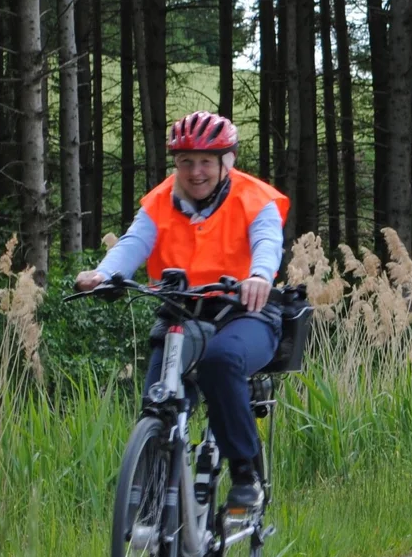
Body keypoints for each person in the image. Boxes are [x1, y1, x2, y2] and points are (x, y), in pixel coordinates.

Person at [75, 112, 289, 513]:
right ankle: (157, 530)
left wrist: (260, 275)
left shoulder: (254, 198)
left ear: (228, 161)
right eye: (186, 161)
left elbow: (266, 242)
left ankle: (245, 474)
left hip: (244, 312)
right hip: (182, 315)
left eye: (207, 161)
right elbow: (133, 243)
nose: (196, 172)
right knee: (159, 401)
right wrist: (104, 274)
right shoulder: (159, 202)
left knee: (220, 363)